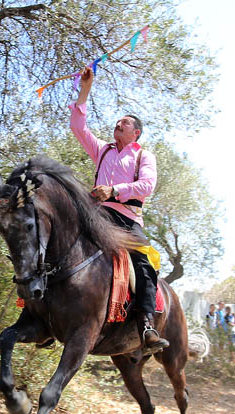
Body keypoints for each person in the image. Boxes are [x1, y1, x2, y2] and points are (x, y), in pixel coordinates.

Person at [69, 66, 168, 351]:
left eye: (124, 123)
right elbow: (78, 127)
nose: (118, 124)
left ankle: (146, 326)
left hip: (126, 220)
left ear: (135, 133)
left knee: (145, 265)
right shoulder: (103, 150)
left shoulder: (143, 156)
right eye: (117, 121)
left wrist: (115, 191)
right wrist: (85, 89)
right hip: (96, 215)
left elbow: (147, 186)